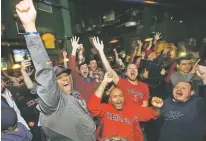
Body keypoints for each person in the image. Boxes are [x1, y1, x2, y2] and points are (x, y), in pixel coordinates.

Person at [16, 1, 96, 141]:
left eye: (66, 76)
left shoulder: (75, 95)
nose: (65, 79)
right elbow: (46, 74)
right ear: (53, 85)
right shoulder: (54, 103)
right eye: (59, 78)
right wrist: (30, 27)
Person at [88, 72, 163, 141]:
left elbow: (153, 113)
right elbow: (92, 106)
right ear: (110, 100)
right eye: (115, 96)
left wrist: (156, 107)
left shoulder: (132, 109)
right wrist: (104, 82)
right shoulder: (105, 108)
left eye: (121, 96)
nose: (119, 99)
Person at [92, 37, 149, 107]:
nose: (132, 70)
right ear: (126, 73)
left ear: (137, 72)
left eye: (135, 68)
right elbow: (110, 70)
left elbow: (145, 104)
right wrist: (101, 51)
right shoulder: (122, 83)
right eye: (130, 68)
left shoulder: (144, 86)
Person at [67, 37, 98, 102]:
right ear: (79, 71)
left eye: (86, 67)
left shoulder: (94, 81)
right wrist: (74, 49)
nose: (84, 69)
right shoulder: (77, 79)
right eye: (82, 68)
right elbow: (71, 67)